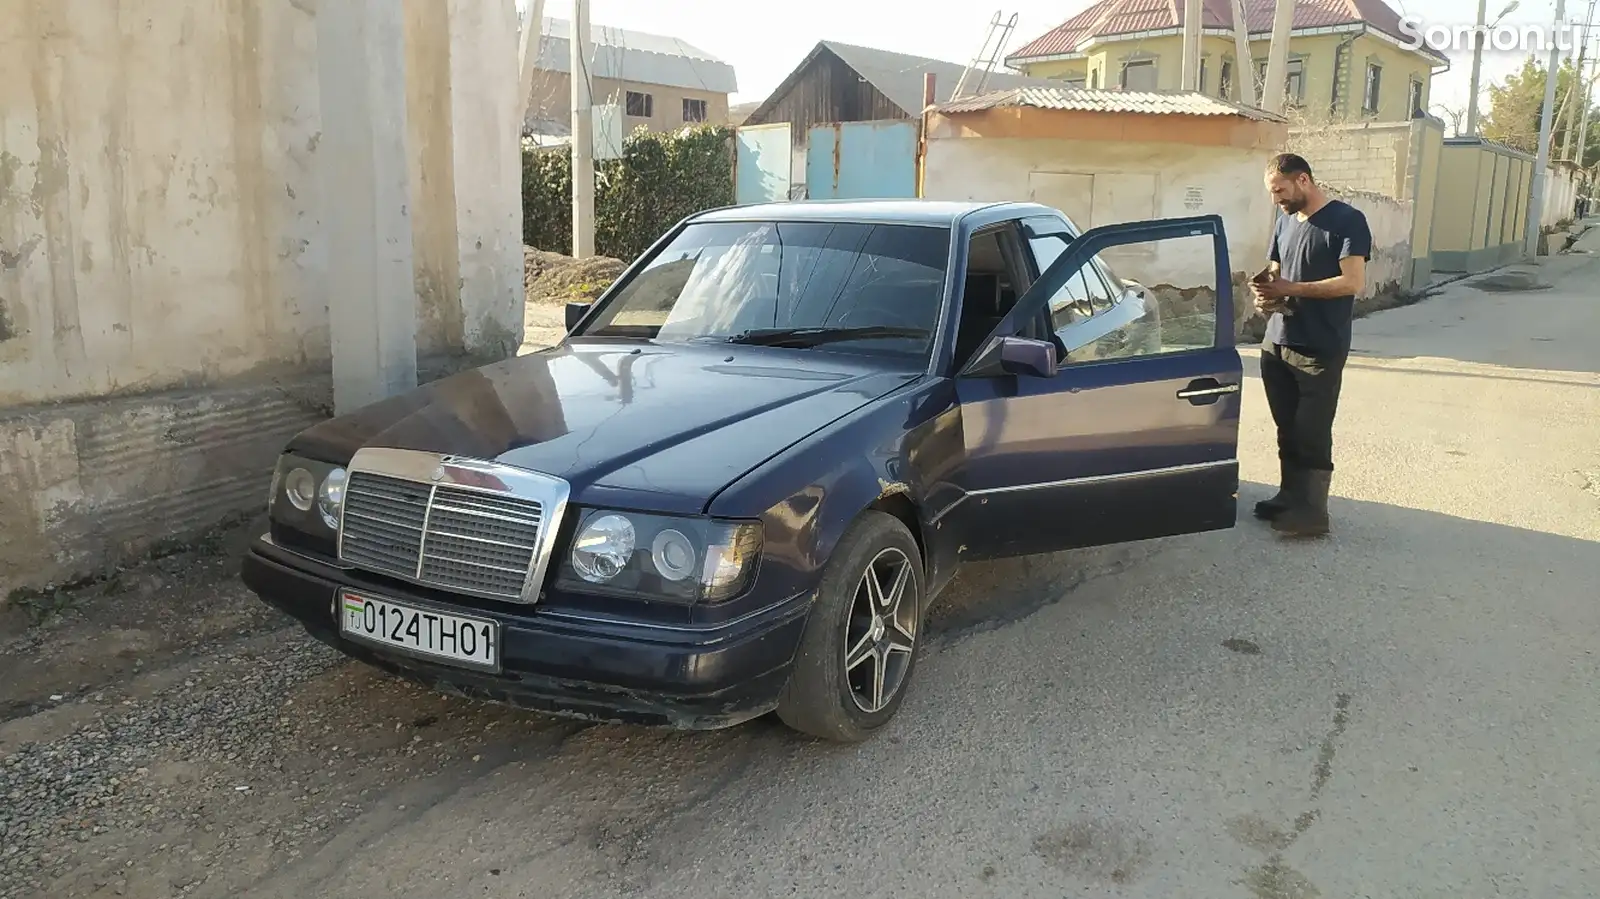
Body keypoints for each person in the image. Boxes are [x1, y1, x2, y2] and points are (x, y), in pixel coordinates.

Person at [1249, 153, 1371, 537]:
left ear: (1303, 180)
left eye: (1280, 190)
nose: (1276, 200)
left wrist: (1292, 289)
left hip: (1320, 345)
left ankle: (1313, 513)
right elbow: (1275, 271)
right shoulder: (1285, 222)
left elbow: (1352, 282)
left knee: (1312, 430)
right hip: (1278, 342)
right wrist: (1266, 293)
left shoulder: (1348, 221)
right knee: (1286, 427)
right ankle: (1290, 497)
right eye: (1272, 192)